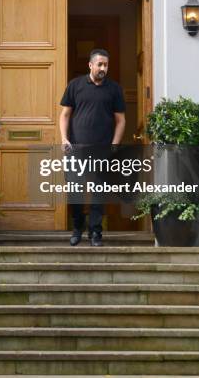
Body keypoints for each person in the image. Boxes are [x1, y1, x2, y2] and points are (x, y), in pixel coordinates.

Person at [59, 48, 126, 247]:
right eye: (100, 64)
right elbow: (65, 115)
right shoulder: (75, 86)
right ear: (90, 65)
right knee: (75, 191)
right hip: (76, 149)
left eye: (106, 65)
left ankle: (96, 233)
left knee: (99, 193)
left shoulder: (114, 89)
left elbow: (121, 121)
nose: (103, 68)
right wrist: (64, 139)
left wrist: (114, 145)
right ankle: (77, 229)